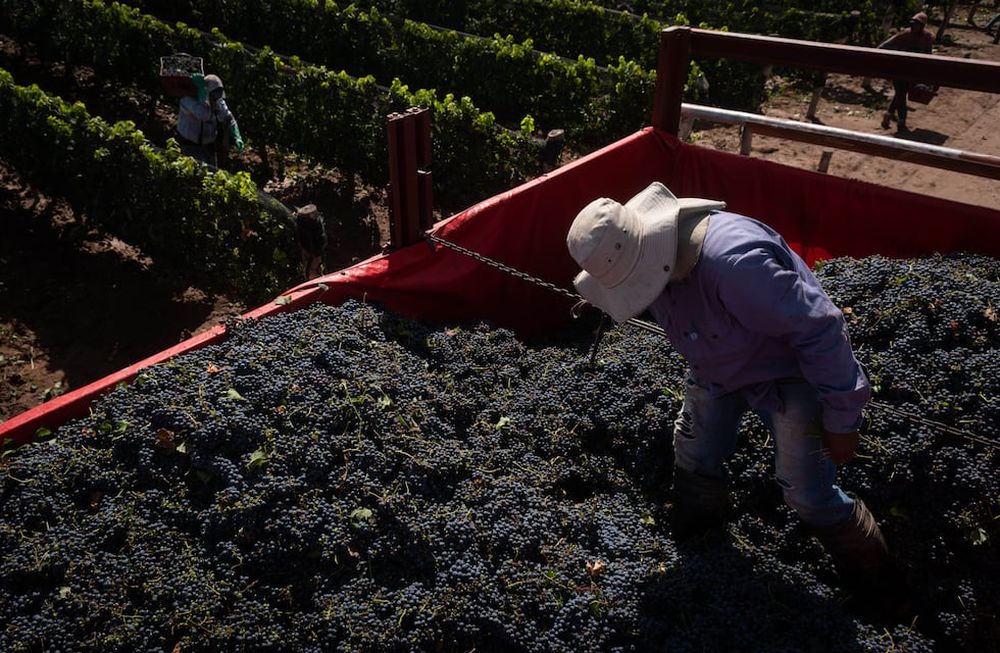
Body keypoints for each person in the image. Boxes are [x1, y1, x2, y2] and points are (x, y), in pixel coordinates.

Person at [566, 182, 908, 620]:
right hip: (716, 365)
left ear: (654, 254)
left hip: (790, 378)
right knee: (694, 451)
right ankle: (700, 537)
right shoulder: (661, 265)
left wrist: (843, 419)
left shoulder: (738, 267)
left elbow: (820, 330)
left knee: (806, 493)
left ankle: (882, 589)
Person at [877, 12, 934, 133]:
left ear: (922, 26)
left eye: (917, 25)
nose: (913, 27)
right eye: (912, 24)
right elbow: (884, 46)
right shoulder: (904, 35)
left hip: (914, 72)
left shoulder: (926, 37)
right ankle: (902, 122)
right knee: (901, 95)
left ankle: (888, 115)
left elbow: (929, 55)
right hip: (900, 70)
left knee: (900, 94)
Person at [176, 73, 245, 167]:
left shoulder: (219, 101)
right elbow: (204, 115)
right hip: (188, 144)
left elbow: (229, 118)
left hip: (208, 145)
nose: (216, 99)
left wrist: (237, 136)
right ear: (206, 92)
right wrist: (205, 100)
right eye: (214, 95)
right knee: (190, 171)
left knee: (211, 174)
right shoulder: (188, 100)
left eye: (219, 95)